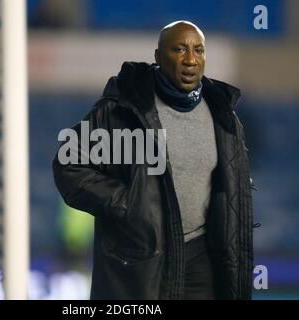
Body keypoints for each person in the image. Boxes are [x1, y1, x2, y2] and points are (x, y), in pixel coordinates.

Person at [53, 21, 254, 300]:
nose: (190, 59)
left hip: (203, 259)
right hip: (142, 258)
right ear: (158, 57)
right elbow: (68, 165)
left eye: (198, 50)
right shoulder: (123, 109)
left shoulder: (224, 115)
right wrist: (128, 203)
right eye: (179, 49)